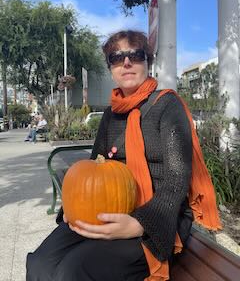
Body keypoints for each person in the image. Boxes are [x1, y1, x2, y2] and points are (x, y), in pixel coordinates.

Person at [26, 30, 221, 281]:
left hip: (157, 218)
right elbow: (95, 163)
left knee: (73, 270)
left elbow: (177, 179)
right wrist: (76, 207)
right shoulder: (110, 115)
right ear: (111, 68)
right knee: (41, 262)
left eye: (135, 55)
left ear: (147, 62)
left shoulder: (167, 105)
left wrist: (140, 223)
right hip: (108, 208)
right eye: (117, 58)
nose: (126, 62)